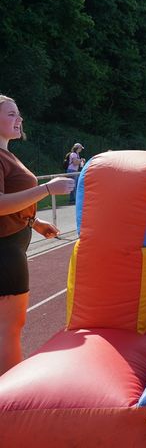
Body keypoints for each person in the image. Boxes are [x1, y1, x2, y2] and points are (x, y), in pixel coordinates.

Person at [0, 95, 75, 375]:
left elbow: (11, 204)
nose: (19, 119)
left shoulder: (7, 155)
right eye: (11, 114)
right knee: (9, 328)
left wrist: (34, 221)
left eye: (18, 114)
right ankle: (8, 394)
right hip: (5, 252)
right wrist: (47, 189)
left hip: (12, 245)